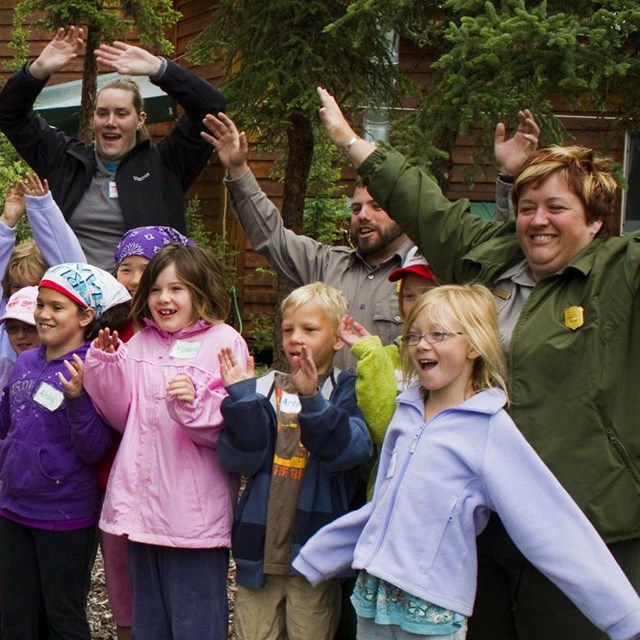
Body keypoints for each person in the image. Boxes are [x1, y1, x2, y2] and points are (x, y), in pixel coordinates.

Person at [315, 86, 640, 639]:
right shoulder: (492, 260)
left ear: (595, 220)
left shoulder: (620, 273)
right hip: (484, 524)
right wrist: (350, 141)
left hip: (587, 517)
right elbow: (426, 207)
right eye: (528, 207)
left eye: (557, 207)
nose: (538, 221)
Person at [293, 284, 640, 640]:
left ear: (473, 345)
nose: (422, 345)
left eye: (438, 334)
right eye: (413, 335)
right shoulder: (406, 413)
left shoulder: (488, 427)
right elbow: (385, 504)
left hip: (432, 611)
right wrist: (323, 553)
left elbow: (549, 523)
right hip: (374, 598)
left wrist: (625, 616)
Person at [82, 243, 249, 640]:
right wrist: (105, 368)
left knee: (196, 625)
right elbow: (121, 415)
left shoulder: (224, 341)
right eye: (155, 290)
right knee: (150, 624)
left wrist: (194, 405)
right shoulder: (139, 344)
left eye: (177, 289)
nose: (163, 299)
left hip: (192, 518)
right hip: (140, 513)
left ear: (201, 291)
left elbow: (233, 423)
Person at [217, 282, 372, 640]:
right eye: (288, 329)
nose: (296, 338)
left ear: (337, 339)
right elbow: (238, 457)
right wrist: (241, 400)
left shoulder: (347, 389)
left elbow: (349, 452)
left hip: (314, 553)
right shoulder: (264, 387)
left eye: (310, 329)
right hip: (260, 549)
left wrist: (312, 399)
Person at [0, 26, 226, 271]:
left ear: (140, 119)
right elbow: (10, 115)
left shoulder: (165, 165)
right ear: (92, 119)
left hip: (139, 300)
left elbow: (212, 108)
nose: (110, 122)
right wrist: (38, 70)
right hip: (71, 298)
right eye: (102, 113)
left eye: (121, 113)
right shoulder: (66, 161)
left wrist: (159, 69)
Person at [0, 262, 130, 639]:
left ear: (86, 315)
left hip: (65, 514)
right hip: (12, 507)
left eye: (57, 307)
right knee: (14, 614)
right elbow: (7, 425)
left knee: (63, 615)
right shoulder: (24, 363)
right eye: (41, 305)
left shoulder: (94, 366)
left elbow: (95, 449)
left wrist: (77, 400)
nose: (43, 315)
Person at [97, 225, 194, 640]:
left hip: (172, 481)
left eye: (147, 270)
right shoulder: (108, 326)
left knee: (163, 587)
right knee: (121, 578)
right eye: (126, 269)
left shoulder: (187, 332)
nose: (136, 280)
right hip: (114, 473)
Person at [340, 247, 438, 499]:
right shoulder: (390, 356)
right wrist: (372, 356)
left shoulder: (460, 355)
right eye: (409, 295)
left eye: (427, 294)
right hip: (384, 494)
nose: (417, 305)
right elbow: (380, 427)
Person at [0, 174, 85, 361]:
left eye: (34, 287)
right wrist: (6, 223)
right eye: (17, 287)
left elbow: (73, 271)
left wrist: (43, 209)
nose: (25, 293)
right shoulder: (4, 319)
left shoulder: (65, 326)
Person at [0, 286, 39, 387]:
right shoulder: (3, 371)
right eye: (12, 328)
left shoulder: (66, 370)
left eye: (30, 327)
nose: (20, 336)